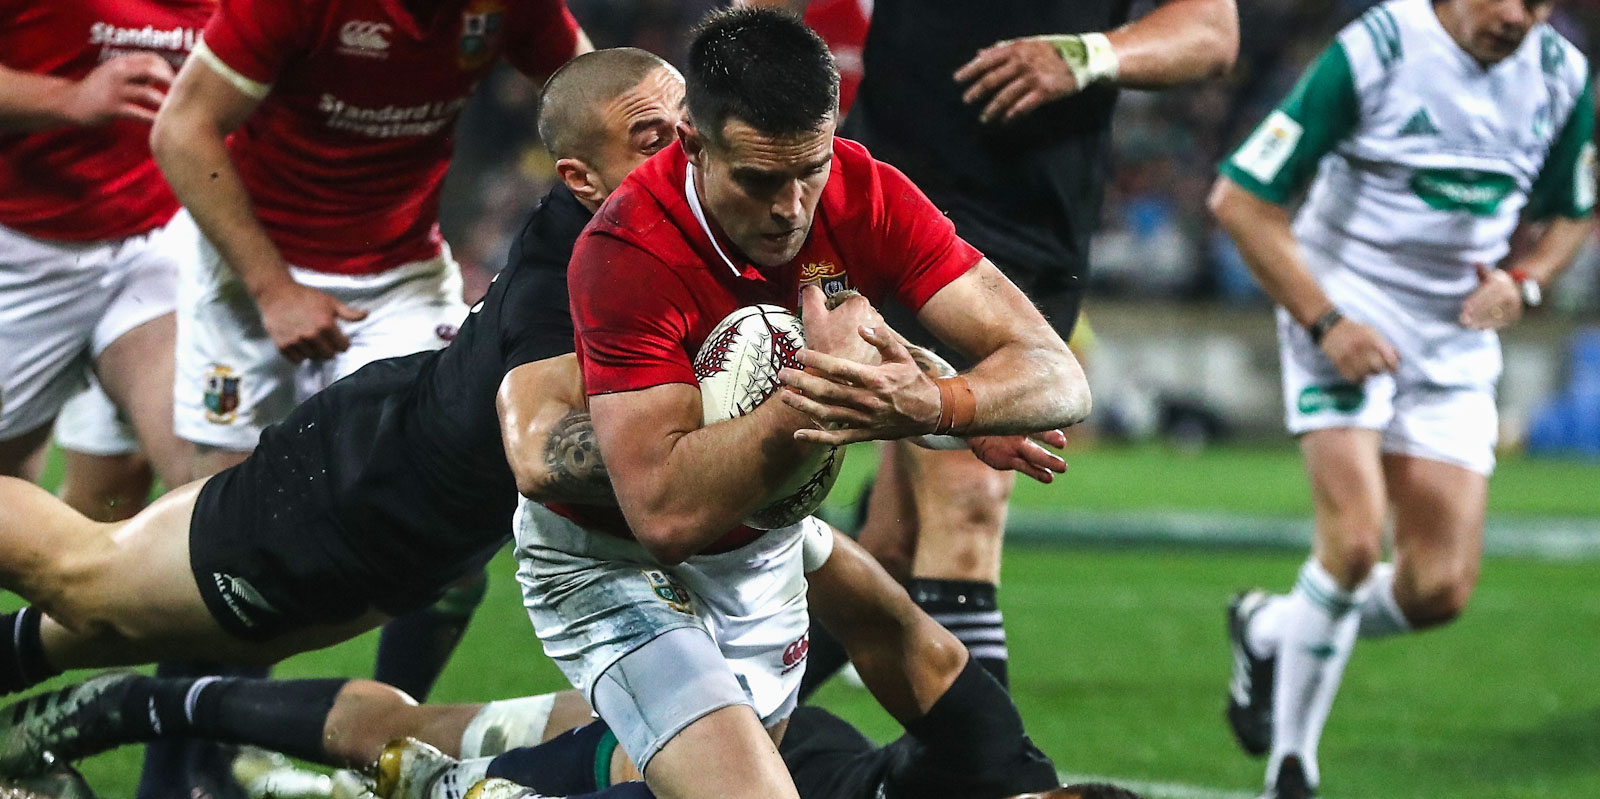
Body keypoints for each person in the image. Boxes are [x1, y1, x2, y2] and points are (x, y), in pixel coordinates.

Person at [544, 8, 1088, 799]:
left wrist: (938, 404)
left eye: (812, 169)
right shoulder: (625, 248)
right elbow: (662, 516)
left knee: (693, 776)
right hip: (607, 554)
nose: (792, 209)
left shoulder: (865, 188)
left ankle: (476, 783)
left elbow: (1057, 377)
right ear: (693, 142)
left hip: (762, 540)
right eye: (760, 179)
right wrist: (821, 388)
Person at [144, 1, 589, 794]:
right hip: (249, 269)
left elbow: (599, 100)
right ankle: (177, 764)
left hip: (399, 279)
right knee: (211, 544)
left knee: (453, 531)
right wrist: (273, 287)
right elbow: (181, 129)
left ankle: (394, 745)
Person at [741, 0, 1237, 694]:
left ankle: (708, 728)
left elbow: (1212, 32)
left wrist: (1089, 55)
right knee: (969, 498)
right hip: (910, 191)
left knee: (893, 549)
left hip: (1044, 219)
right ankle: (986, 776)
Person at [1208, 0, 1594, 796]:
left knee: (1439, 588)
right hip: (1340, 314)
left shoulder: (1562, 76)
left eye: (1540, 1)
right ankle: (1292, 767)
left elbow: (1573, 212)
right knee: (1351, 544)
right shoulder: (1378, 49)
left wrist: (1526, 281)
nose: (1521, 17)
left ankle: (1273, 625)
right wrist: (1326, 321)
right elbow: (1239, 201)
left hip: (1453, 339)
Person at [0, 531, 1135, 799]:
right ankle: (138, 702)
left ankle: (161, 717)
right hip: (690, 760)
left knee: (395, 736)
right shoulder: (1000, 761)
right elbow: (908, 637)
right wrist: (797, 537)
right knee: (404, 747)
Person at [0, 0, 203, 503]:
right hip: (19, 249)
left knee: (207, 460)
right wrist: (69, 98)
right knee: (11, 505)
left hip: (157, 244)